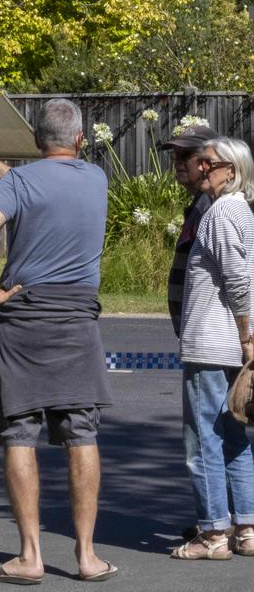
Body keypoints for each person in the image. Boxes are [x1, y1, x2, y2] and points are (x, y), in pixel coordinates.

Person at [0, 99, 116, 584]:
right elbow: (36, 186)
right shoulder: (96, 180)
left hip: (24, 320)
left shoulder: (21, 182)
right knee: (82, 433)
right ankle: (86, 556)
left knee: (20, 432)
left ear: (36, 142)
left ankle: (29, 556)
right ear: (80, 140)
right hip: (79, 320)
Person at [171, 137, 254, 562]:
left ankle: (212, 534)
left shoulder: (221, 212)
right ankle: (245, 527)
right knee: (237, 436)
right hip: (228, 344)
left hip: (212, 343)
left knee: (203, 439)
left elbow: (239, 280)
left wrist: (247, 335)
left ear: (230, 170)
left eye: (207, 162)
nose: (199, 168)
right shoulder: (240, 210)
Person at [162, 124, 219, 337]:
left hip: (208, 336)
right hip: (195, 334)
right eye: (175, 156)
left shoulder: (212, 208)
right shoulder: (200, 205)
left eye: (186, 155)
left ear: (209, 162)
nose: (178, 162)